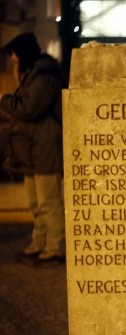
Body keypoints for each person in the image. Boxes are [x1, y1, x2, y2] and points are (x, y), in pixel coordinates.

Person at [0, 32, 65, 266]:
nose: (13, 59)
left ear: (24, 51)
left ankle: (56, 247)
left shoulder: (44, 74)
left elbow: (29, 108)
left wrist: (3, 100)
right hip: (31, 148)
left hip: (44, 147)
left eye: (14, 53)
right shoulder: (31, 74)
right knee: (35, 202)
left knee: (49, 201)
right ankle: (40, 243)